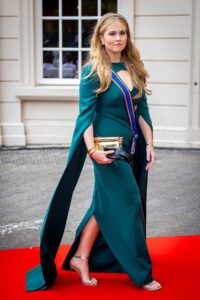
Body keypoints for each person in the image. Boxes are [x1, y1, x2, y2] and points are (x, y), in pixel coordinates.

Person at [26, 13, 162, 292]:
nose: (118, 38)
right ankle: (141, 272)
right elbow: (84, 117)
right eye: (112, 33)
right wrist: (91, 149)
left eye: (122, 33)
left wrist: (150, 143)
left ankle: (81, 257)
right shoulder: (92, 72)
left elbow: (142, 112)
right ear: (101, 38)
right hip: (106, 145)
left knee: (104, 205)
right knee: (129, 203)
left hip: (132, 145)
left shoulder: (134, 66)